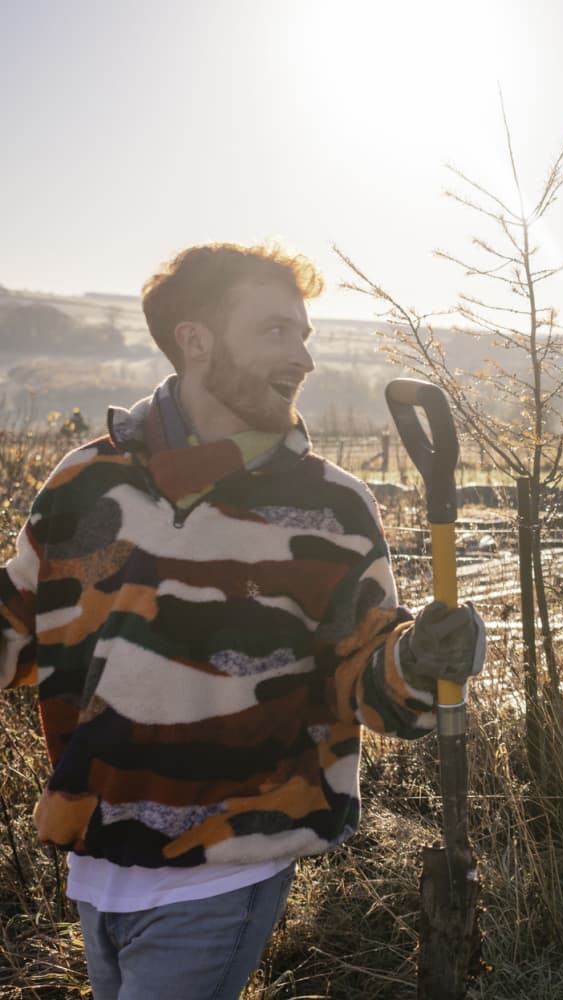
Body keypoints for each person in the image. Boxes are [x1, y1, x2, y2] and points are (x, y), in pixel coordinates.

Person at [0, 242, 485, 999]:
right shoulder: (84, 480)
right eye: (276, 332)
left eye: (304, 334)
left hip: (227, 857)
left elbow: (362, 676)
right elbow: (15, 622)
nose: (304, 358)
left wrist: (420, 658)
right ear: (196, 339)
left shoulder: (332, 506)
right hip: (94, 859)